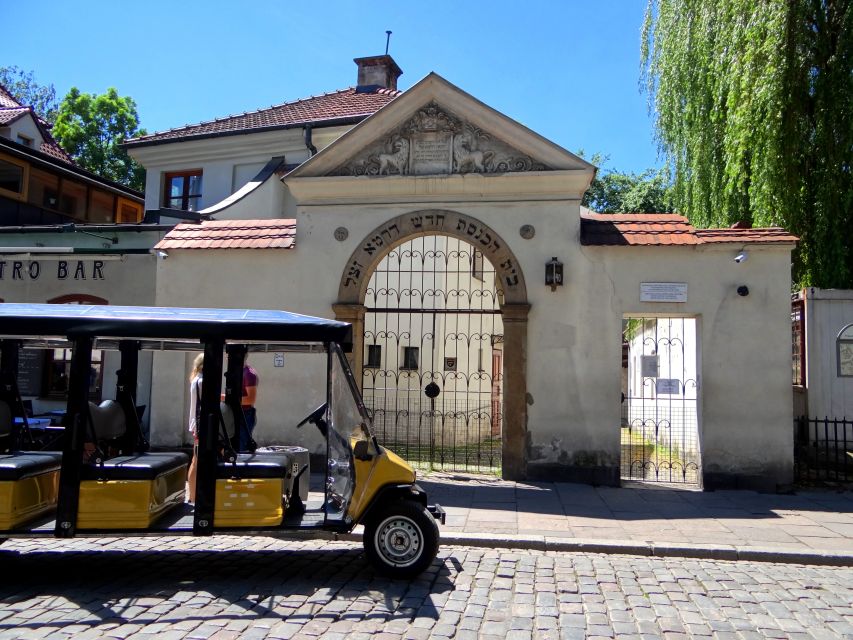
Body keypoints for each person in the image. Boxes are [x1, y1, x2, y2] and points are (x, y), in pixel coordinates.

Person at [186, 354, 203, 504]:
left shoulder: (196, 379)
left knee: (195, 461)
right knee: (196, 461)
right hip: (201, 425)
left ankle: (193, 496)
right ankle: (193, 497)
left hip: (197, 424)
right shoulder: (202, 381)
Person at [239, 361, 259, 452]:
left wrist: (228, 398)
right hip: (238, 414)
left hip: (245, 415)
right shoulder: (239, 372)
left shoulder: (249, 374)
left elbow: (251, 399)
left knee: (241, 448)